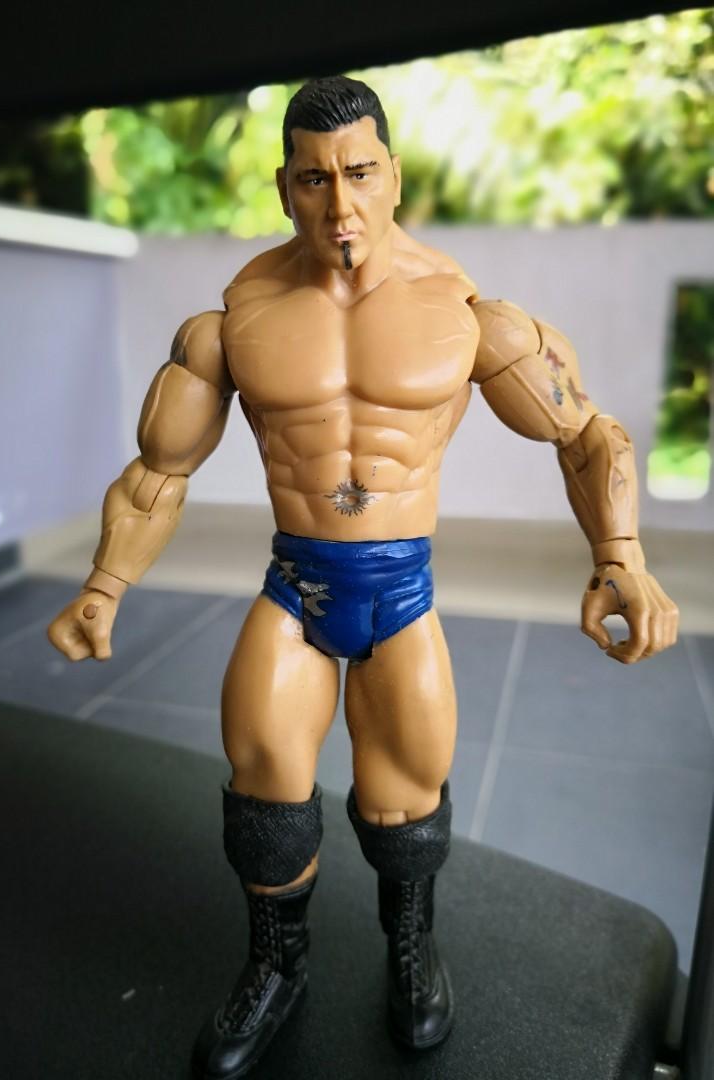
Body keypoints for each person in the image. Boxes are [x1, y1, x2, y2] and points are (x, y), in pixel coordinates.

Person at [48, 76, 679, 1079]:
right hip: (295, 586)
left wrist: (623, 558)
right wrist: (103, 587)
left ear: (394, 176)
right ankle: (276, 964)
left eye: (360, 173)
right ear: (284, 187)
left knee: (403, 807)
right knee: (264, 791)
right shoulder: (235, 319)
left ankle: (411, 949)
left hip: (401, 593)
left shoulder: (468, 316)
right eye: (314, 179)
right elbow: (159, 473)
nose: (339, 204)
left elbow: (586, 434)